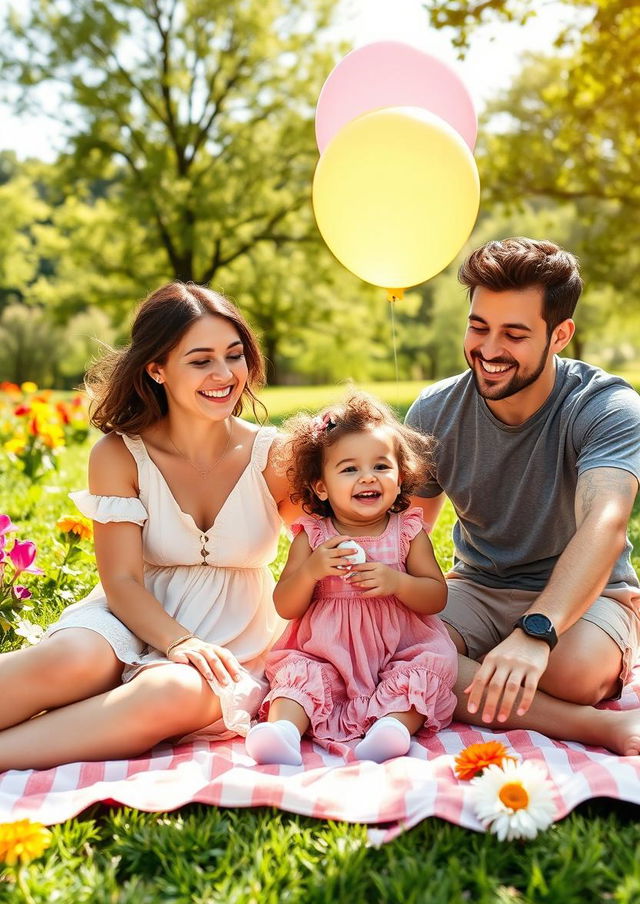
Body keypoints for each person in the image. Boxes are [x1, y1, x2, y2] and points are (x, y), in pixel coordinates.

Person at [0, 282, 293, 771]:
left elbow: (328, 545)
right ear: (156, 369)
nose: (224, 375)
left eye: (234, 355)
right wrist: (178, 640)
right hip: (129, 613)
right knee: (74, 658)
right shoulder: (119, 455)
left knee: (169, 692)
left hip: (235, 640)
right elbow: (121, 581)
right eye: (201, 361)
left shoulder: (276, 456)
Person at [406, 237, 640, 755]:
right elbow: (410, 528)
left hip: (589, 596)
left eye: (514, 334)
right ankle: (596, 728)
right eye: (478, 327)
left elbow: (606, 524)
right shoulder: (434, 411)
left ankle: (507, 677)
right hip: (479, 586)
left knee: (574, 673)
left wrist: (536, 633)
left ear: (560, 335)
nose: (489, 351)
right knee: (402, 652)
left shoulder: (606, 407)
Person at [245, 392, 458, 766]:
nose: (367, 478)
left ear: (400, 475)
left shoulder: (408, 531)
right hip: (327, 652)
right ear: (321, 487)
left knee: (425, 670)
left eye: (381, 466)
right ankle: (283, 732)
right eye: (349, 469)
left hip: (399, 647)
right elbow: (285, 605)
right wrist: (311, 571)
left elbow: (436, 596)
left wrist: (399, 583)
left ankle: (392, 729)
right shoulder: (311, 536)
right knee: (299, 677)